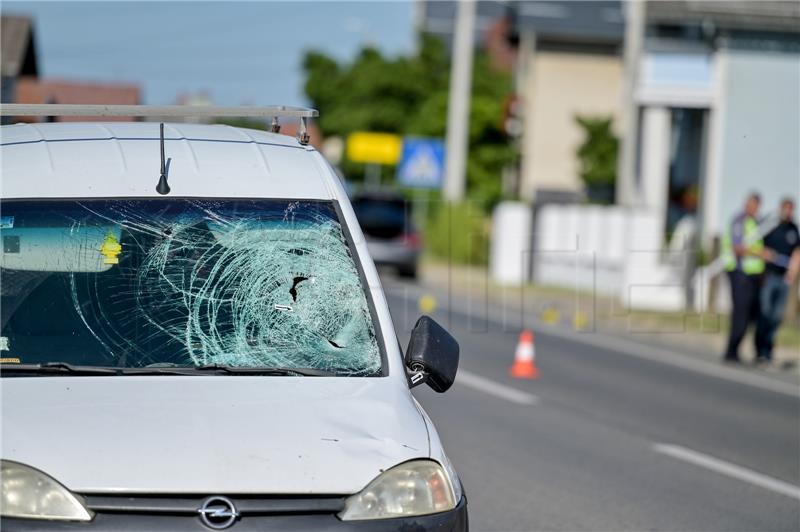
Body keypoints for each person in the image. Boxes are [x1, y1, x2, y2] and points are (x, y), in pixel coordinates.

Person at [721, 193, 773, 363]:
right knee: (740, 314)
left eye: (757, 206)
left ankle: (736, 350)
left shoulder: (755, 223)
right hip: (739, 273)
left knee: (752, 315)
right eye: (752, 205)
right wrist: (761, 254)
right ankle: (731, 351)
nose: (754, 209)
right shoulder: (739, 221)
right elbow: (737, 248)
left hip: (753, 276)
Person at [755, 198, 800, 363]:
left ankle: (768, 349)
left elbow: (796, 252)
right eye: (786, 208)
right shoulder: (770, 226)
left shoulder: (793, 229)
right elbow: (757, 245)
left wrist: (793, 271)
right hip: (769, 275)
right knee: (765, 313)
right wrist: (766, 254)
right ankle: (759, 348)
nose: (788, 212)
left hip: (783, 278)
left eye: (791, 209)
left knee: (776, 316)